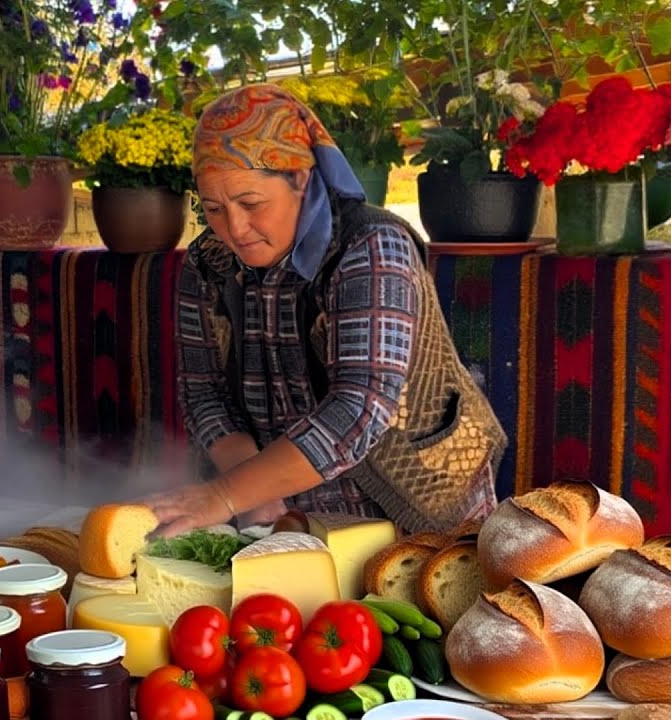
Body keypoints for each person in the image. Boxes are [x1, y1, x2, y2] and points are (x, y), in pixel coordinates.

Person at [142, 84, 507, 538]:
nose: (234, 228)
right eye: (213, 208)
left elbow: (357, 409)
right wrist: (250, 488)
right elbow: (203, 393)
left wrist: (227, 496)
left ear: (300, 178)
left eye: (251, 203)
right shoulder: (208, 263)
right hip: (283, 513)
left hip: (413, 510)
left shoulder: (371, 247)